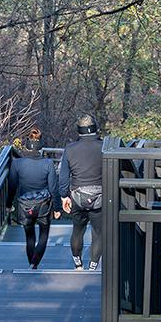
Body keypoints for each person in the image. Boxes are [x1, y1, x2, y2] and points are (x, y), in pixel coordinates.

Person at [7, 128, 59, 269]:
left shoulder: (17, 163)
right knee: (44, 234)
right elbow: (53, 187)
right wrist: (57, 207)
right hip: (43, 204)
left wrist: (8, 204)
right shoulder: (48, 163)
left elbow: (12, 186)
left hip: (25, 205)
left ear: (26, 146)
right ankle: (34, 263)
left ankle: (32, 262)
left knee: (29, 237)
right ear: (40, 146)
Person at [58, 114, 103, 271]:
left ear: (79, 130)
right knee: (98, 233)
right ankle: (93, 266)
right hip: (100, 196)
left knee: (78, 229)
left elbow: (63, 176)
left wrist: (64, 196)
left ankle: (78, 264)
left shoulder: (70, 149)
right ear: (95, 128)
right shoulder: (104, 147)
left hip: (77, 196)